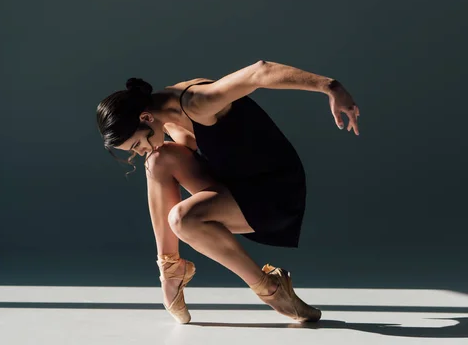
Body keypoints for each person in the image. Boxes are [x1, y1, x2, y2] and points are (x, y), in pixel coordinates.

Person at [96, 60, 360, 324]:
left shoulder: (197, 102)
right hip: (237, 184)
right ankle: (170, 270)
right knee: (157, 161)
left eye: (137, 144)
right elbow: (189, 147)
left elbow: (260, 71)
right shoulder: (164, 113)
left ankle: (270, 289)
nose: (139, 151)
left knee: (182, 219)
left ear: (145, 117)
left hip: (274, 193)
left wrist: (331, 87)